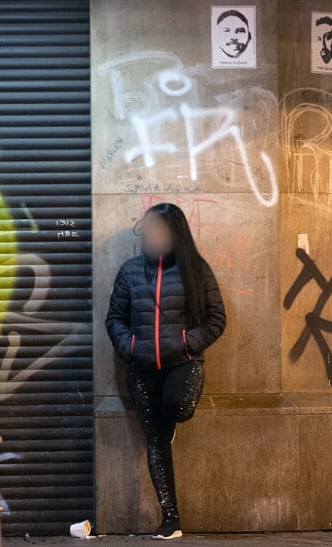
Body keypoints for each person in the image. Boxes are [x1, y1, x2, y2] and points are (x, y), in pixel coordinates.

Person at [105, 203, 226, 540]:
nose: (151, 236)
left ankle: (170, 420)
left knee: (177, 409)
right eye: (147, 230)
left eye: (158, 229)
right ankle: (170, 519)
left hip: (182, 363)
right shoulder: (130, 272)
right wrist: (129, 347)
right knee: (156, 441)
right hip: (142, 368)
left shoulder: (196, 271)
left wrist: (186, 343)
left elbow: (217, 320)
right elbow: (114, 318)